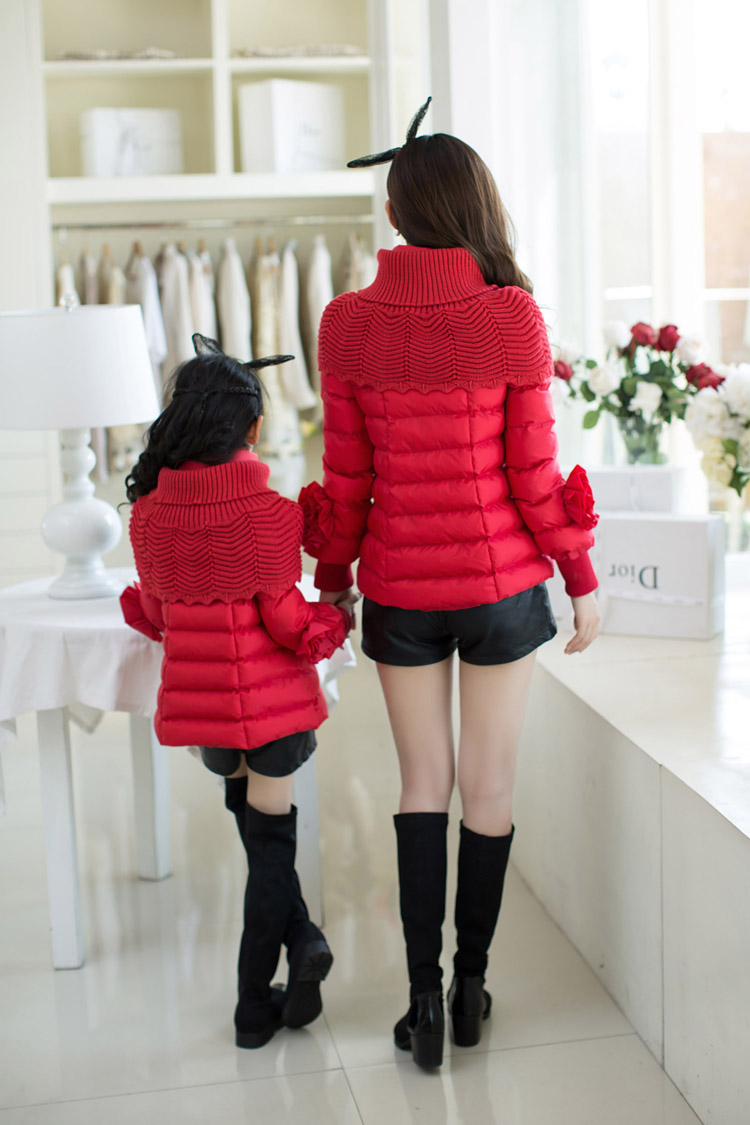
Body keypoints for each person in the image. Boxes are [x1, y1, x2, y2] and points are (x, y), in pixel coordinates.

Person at [300, 99, 601, 1070]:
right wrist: (581, 575)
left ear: (394, 214)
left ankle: (422, 1000)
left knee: (421, 785)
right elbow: (534, 475)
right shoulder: (512, 316)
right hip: (502, 587)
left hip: (401, 591)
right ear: (478, 208)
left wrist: (333, 584)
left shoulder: (346, 323)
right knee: (490, 788)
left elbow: (346, 479)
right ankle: (472, 988)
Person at [120, 334, 355, 1049]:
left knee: (254, 831)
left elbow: (156, 615)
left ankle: (304, 937)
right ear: (251, 429)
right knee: (273, 847)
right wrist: (334, 619)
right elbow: (287, 624)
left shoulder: (149, 515)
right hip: (273, 710)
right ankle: (253, 1005)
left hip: (208, 717)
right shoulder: (271, 515)